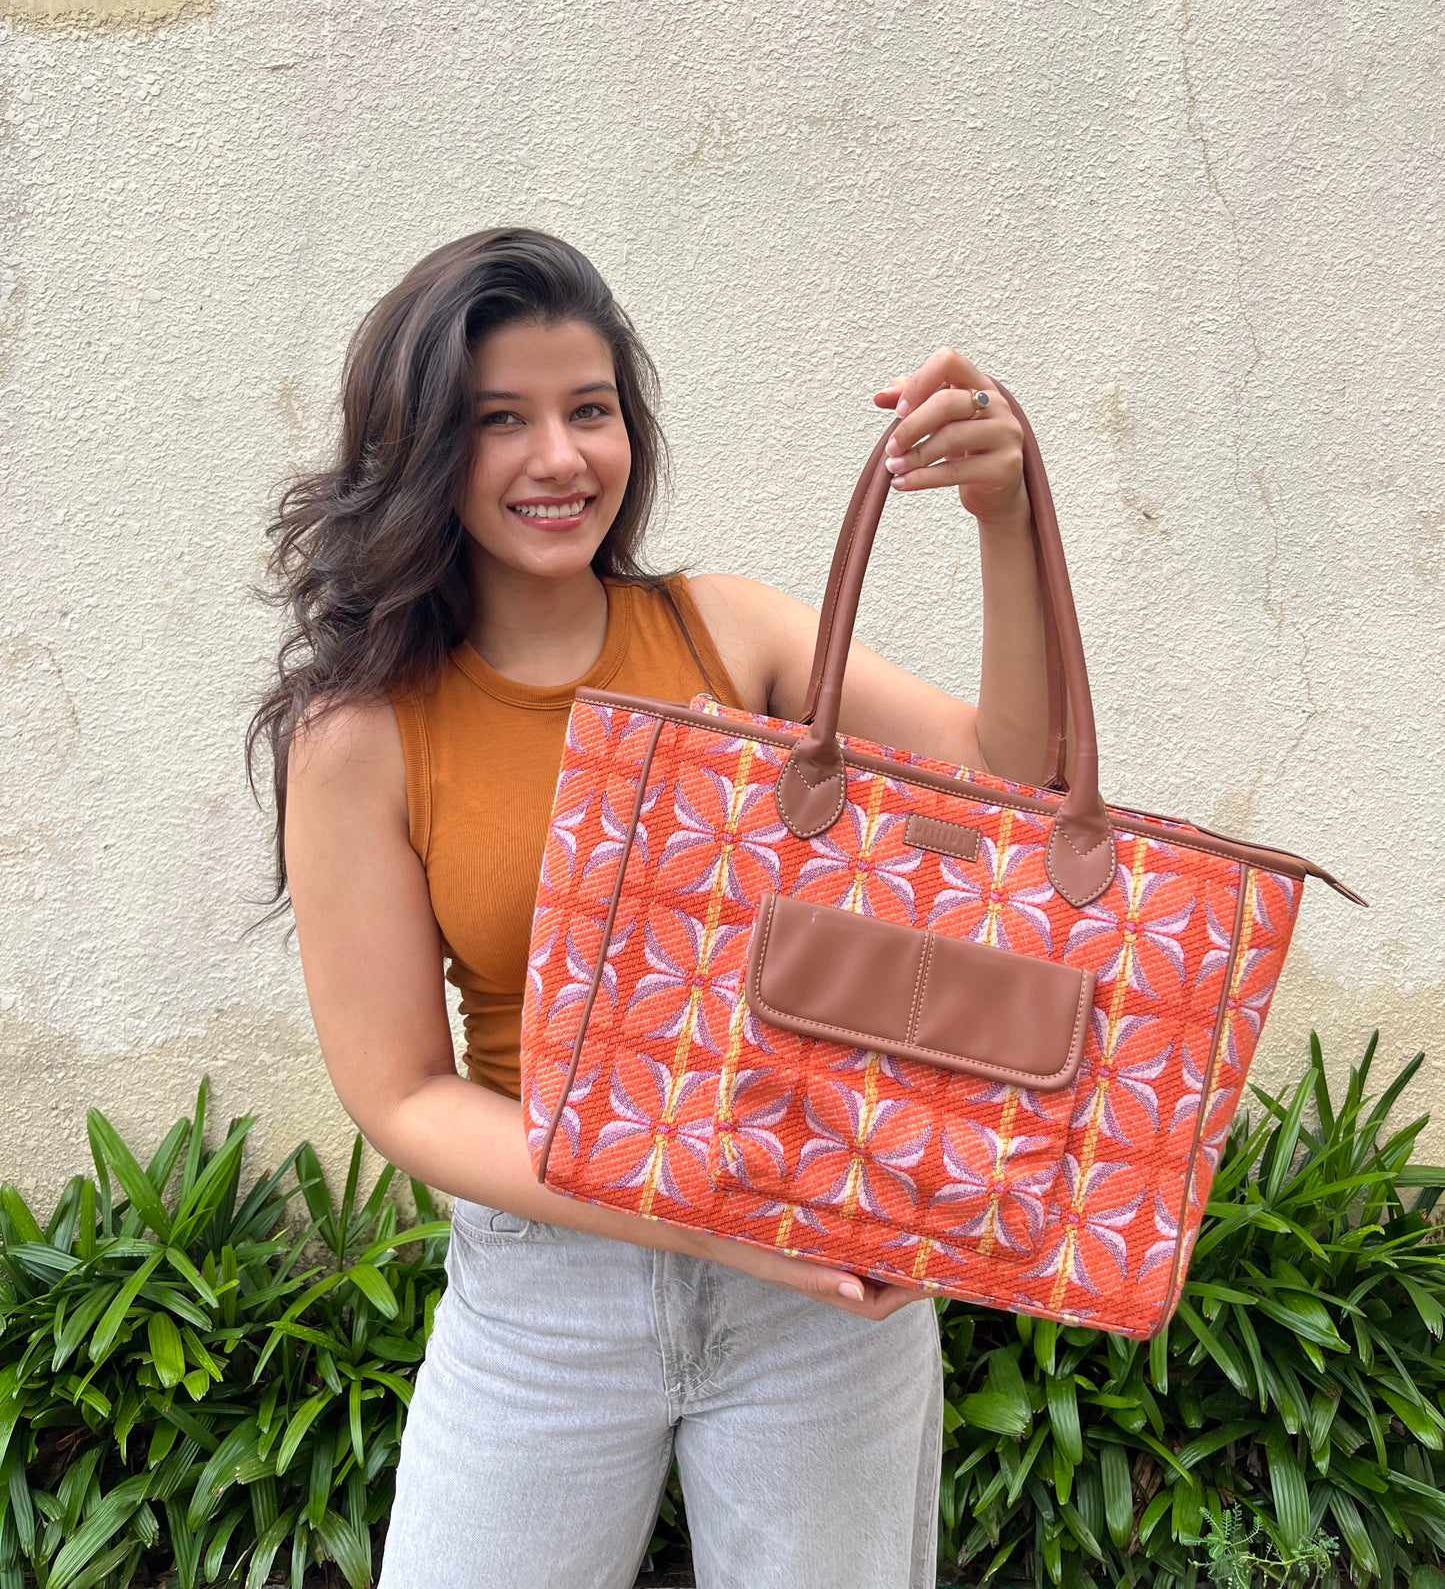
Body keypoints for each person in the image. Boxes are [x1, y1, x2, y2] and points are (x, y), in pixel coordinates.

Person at [254, 227, 1054, 1589]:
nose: (558, 458)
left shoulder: (723, 635)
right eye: (498, 420)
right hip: (548, 1297)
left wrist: (1008, 518)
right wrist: (708, 1211)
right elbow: (402, 1095)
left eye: (590, 410)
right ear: (419, 450)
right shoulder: (365, 736)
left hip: (816, 1296)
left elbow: (1009, 789)